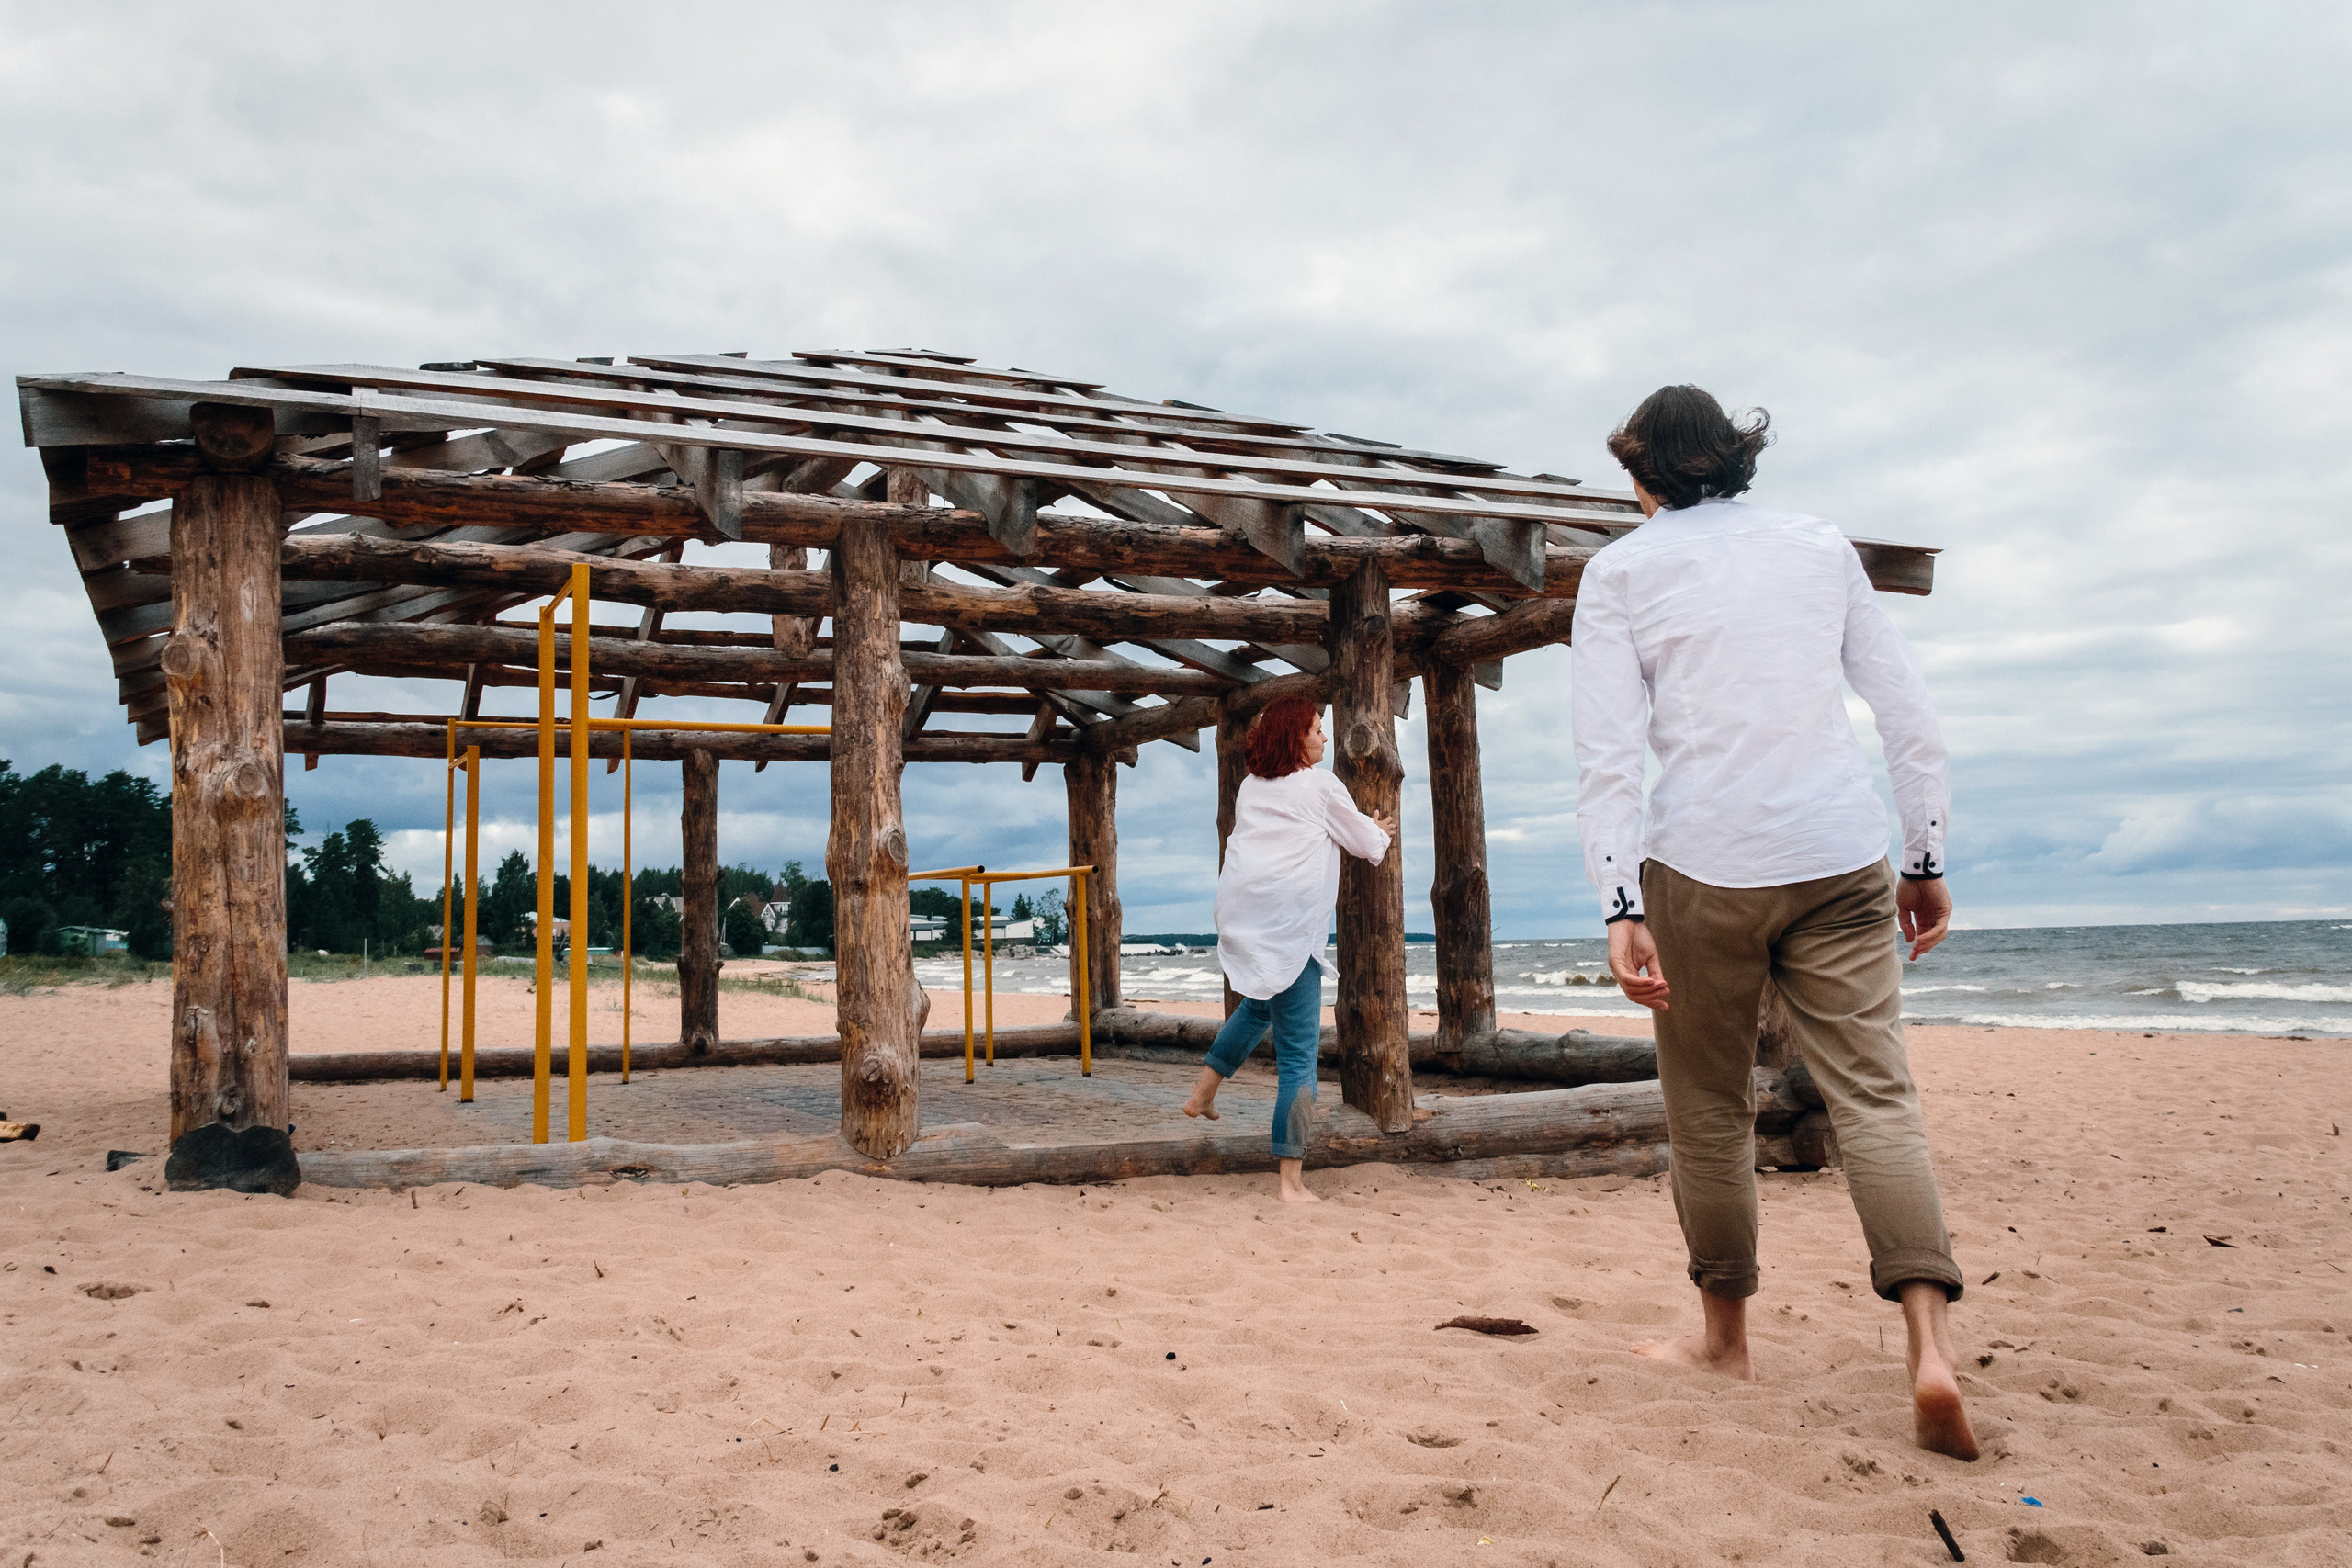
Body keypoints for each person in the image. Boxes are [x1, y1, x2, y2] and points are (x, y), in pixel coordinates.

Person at [1570, 384, 1977, 1461]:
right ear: (1735, 460)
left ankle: (1725, 1341)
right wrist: (1925, 857)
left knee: (1706, 1113)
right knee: (1877, 1099)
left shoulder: (1618, 572)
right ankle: (1928, 1350)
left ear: (1641, 475)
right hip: (1840, 851)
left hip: (1700, 862)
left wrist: (1619, 903)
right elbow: (1906, 712)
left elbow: (1607, 756)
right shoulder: (1816, 547)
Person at [1182, 696, 1395, 1202]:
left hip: (1247, 924)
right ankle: (1290, 1182)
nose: (1324, 738)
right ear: (1294, 739)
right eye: (1318, 730)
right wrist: (1380, 829)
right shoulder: (1321, 785)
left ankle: (1201, 1095)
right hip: (1290, 932)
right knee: (1299, 1058)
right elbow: (1366, 844)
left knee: (1257, 1007)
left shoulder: (1250, 788)